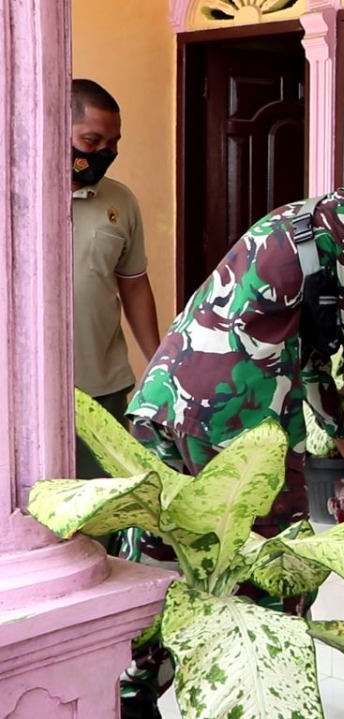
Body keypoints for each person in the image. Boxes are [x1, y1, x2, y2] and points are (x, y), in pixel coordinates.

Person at [119, 136, 344, 716]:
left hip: (162, 403)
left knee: (156, 554)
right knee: (280, 568)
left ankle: (131, 688)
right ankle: (264, 699)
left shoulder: (299, 216)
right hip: (234, 426)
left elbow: (312, 353)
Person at [71, 79, 160, 479]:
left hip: (103, 387)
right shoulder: (14, 190)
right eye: (92, 141)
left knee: (103, 509)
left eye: (113, 143)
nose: (104, 152)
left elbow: (134, 284)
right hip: (24, 392)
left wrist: (159, 363)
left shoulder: (120, 201)